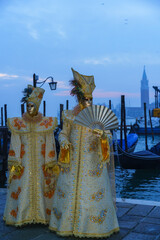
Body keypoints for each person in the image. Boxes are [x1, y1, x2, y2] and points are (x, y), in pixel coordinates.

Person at [49, 68, 119, 238]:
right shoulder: (69, 116)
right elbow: (63, 133)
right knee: (68, 191)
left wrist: (102, 135)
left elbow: (108, 135)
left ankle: (92, 227)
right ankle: (67, 224)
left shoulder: (98, 117)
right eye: (85, 99)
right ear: (79, 98)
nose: (88, 102)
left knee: (93, 195)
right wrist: (64, 142)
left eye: (91, 99)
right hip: (71, 161)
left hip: (92, 163)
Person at [3, 85, 59, 226]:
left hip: (41, 163)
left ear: (38, 106)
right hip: (24, 163)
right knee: (24, 185)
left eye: (32, 106)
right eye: (28, 106)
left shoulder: (46, 124)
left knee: (42, 185)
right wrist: (16, 162)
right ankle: (22, 215)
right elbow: (15, 143)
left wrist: (49, 163)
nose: (30, 108)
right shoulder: (18, 124)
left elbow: (50, 143)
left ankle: (42, 215)